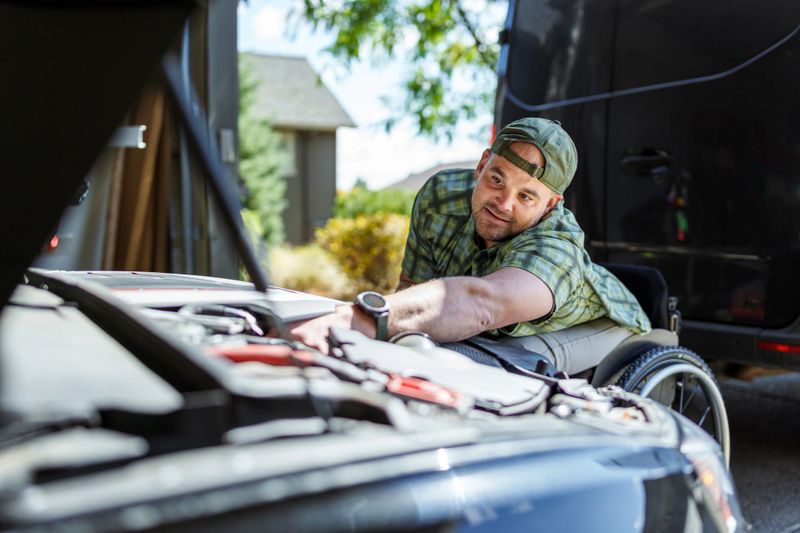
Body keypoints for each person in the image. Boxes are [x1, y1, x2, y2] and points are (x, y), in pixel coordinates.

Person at [290, 117, 651, 374]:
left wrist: (351, 321)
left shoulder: (558, 244)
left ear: (550, 205)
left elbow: (483, 303)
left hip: (599, 325)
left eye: (526, 196)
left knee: (494, 365)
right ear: (481, 164)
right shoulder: (440, 196)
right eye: (497, 179)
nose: (503, 202)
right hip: (494, 321)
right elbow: (412, 291)